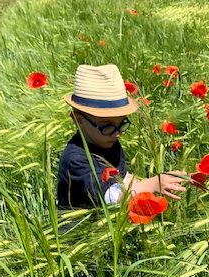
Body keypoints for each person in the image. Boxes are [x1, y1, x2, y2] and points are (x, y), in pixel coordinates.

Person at [58, 64, 187, 209]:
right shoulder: (75, 160)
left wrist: (163, 183)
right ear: (78, 119)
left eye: (121, 123)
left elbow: (122, 178)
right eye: (106, 124)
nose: (117, 132)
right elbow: (113, 197)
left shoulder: (109, 142)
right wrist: (152, 184)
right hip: (79, 227)